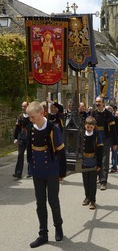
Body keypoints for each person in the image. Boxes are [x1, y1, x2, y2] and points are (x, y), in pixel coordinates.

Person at [26, 101, 64, 248]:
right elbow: (30, 149)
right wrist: (30, 167)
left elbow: (61, 152)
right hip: (37, 170)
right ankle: (43, 234)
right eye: (29, 117)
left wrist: (62, 172)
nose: (30, 119)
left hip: (52, 170)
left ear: (42, 113)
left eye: (33, 117)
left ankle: (58, 226)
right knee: (40, 203)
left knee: (53, 201)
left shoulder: (53, 128)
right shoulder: (30, 128)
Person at [91, 96, 118, 190]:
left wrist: (114, 143)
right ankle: (97, 177)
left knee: (104, 160)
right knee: (95, 159)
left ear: (103, 103)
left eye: (99, 102)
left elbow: (113, 129)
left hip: (106, 140)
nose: (97, 103)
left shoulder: (108, 114)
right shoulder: (93, 113)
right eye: (96, 102)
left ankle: (103, 181)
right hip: (95, 140)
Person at [82, 116, 103, 210]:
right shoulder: (81, 134)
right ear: (85, 125)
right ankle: (87, 197)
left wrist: (99, 164)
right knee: (85, 181)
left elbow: (100, 150)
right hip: (84, 161)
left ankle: (92, 200)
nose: (89, 128)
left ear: (94, 127)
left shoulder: (97, 135)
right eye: (87, 126)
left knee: (92, 182)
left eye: (91, 127)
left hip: (93, 161)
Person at [46, 97, 67, 182]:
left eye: (55, 107)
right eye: (52, 107)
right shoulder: (48, 116)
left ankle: (61, 174)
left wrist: (51, 101)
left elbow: (61, 107)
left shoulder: (60, 115)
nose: (53, 109)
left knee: (60, 158)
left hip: (59, 139)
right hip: (50, 140)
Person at [13, 101, 31, 179]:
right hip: (22, 139)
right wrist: (15, 138)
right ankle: (18, 173)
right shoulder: (20, 117)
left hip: (30, 138)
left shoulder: (31, 116)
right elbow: (17, 129)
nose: (23, 108)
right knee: (20, 155)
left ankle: (30, 172)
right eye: (22, 106)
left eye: (25, 106)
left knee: (30, 156)